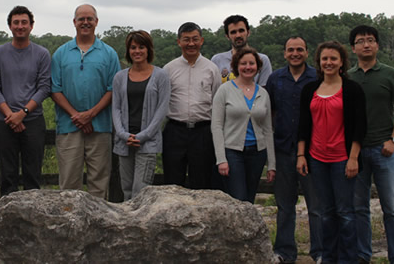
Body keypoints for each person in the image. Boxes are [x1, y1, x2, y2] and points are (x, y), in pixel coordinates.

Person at [297, 41, 367, 264]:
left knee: (345, 212)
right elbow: (303, 125)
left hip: (342, 159)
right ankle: (328, 257)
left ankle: (348, 259)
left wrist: (353, 158)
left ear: (342, 62)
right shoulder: (310, 89)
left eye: (333, 59)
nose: (329, 62)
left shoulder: (352, 89)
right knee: (326, 212)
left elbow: (359, 126)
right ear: (319, 62)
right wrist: (301, 155)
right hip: (317, 158)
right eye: (325, 59)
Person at [348, 25, 394, 264]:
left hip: (384, 150)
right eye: (361, 41)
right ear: (353, 48)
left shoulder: (390, 73)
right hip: (356, 151)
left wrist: (393, 140)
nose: (366, 44)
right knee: (359, 208)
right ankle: (363, 255)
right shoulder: (348, 76)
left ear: (377, 45)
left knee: (392, 209)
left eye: (371, 40)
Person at [51, 4, 120, 198]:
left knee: (99, 181)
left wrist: (90, 114)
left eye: (90, 18)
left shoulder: (109, 54)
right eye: (81, 19)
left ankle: (98, 225)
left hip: (99, 126)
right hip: (68, 126)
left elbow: (112, 89)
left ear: (96, 22)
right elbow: (55, 89)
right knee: (69, 182)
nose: (85, 22)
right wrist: (77, 116)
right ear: (74, 22)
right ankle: (69, 224)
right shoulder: (61, 53)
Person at [266, 37, 322, 264]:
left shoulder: (317, 78)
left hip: (313, 151)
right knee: (285, 205)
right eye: (291, 50)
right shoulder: (275, 78)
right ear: (285, 53)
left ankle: (320, 252)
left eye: (300, 49)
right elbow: (267, 112)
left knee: (316, 206)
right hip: (282, 148)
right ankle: (285, 253)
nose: (295, 53)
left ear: (307, 53)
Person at [0, 6, 51, 196]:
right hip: (4, 121)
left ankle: (32, 218)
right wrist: (11, 115)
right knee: (7, 175)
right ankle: (7, 218)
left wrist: (22, 114)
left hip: (32, 120)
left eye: (24, 22)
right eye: (16, 22)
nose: (20, 26)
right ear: (10, 26)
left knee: (32, 175)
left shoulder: (42, 54)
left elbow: (44, 88)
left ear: (31, 26)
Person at [111, 30, 170, 200]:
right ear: (128, 51)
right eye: (133, 47)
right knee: (126, 190)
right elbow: (116, 108)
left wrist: (143, 136)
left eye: (141, 47)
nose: (137, 51)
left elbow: (162, 110)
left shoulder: (160, 76)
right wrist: (123, 134)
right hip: (124, 141)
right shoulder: (120, 77)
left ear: (148, 49)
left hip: (147, 142)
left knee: (140, 192)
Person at [212, 46, 275, 203]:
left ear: (258, 67)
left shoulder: (263, 93)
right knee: (238, 199)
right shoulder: (224, 90)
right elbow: (217, 126)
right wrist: (221, 159)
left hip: (257, 153)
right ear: (236, 66)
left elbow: (268, 129)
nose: (248, 67)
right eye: (243, 63)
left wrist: (272, 164)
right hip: (233, 152)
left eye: (252, 63)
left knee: (249, 199)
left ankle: (248, 229)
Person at [162, 22, 221, 189]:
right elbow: (162, 101)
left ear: (201, 40)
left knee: (202, 182)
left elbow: (217, 100)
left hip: (203, 132)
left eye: (195, 39)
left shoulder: (212, 69)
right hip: (175, 130)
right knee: (172, 183)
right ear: (178, 42)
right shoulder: (168, 69)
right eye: (186, 39)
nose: (191, 44)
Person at [212, 15, 273, 85]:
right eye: (233, 32)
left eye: (241, 31)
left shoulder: (262, 60)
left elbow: (264, 91)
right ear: (227, 36)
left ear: (248, 32)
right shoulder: (217, 60)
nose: (238, 35)